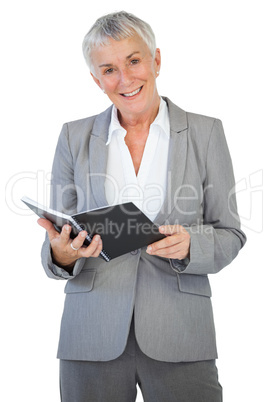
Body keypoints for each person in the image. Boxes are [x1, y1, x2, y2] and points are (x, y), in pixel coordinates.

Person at [38, 11, 246, 402]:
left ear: (156, 60)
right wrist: (61, 254)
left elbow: (230, 233)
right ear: (96, 80)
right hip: (91, 335)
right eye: (109, 69)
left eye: (134, 61)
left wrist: (191, 246)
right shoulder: (72, 136)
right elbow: (60, 230)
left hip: (181, 333)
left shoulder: (206, 132)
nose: (125, 78)